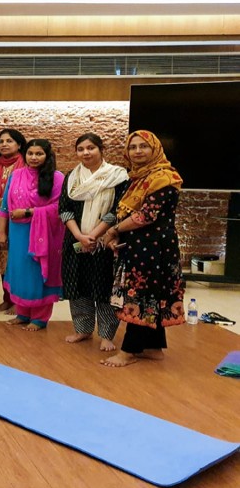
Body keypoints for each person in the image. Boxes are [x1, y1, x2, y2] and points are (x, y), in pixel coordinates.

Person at [100, 130, 185, 367]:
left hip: (154, 246)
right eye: (133, 147)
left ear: (155, 149)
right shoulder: (137, 178)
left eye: (143, 146)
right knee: (151, 293)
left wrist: (114, 230)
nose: (137, 151)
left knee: (140, 294)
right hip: (140, 244)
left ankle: (129, 350)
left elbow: (147, 215)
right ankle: (153, 347)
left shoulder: (164, 177)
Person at [59, 133, 129, 351]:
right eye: (81, 149)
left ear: (101, 149)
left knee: (104, 287)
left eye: (91, 148)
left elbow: (118, 210)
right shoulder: (72, 177)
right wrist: (80, 236)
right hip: (75, 240)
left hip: (105, 241)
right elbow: (64, 209)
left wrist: (96, 234)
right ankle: (82, 329)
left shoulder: (117, 176)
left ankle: (107, 334)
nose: (86, 153)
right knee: (77, 285)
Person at [0, 139, 65, 331]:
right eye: (30, 153)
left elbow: (59, 207)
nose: (34, 157)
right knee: (20, 271)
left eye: (39, 154)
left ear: (47, 155)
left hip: (43, 233)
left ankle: (40, 318)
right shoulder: (16, 174)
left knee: (37, 272)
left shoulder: (57, 177)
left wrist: (29, 212)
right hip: (18, 232)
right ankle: (23, 313)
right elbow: (5, 205)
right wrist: (1, 232)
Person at [0, 128, 27, 313]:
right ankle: (7, 298)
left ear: (19, 145)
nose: (4, 144)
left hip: (21, 221)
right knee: (4, 260)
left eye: (9, 141)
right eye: (1, 141)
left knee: (19, 261)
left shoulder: (26, 164)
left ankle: (21, 302)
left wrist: (2, 200)